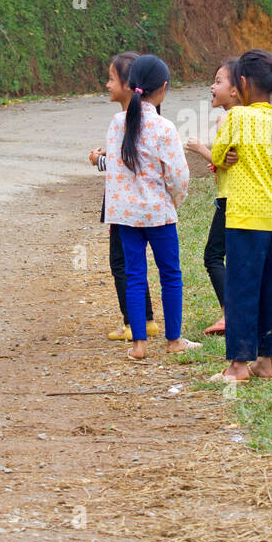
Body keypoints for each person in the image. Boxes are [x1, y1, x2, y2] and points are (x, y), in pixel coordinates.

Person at [103, 54, 197, 361]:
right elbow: (179, 176)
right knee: (170, 274)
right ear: (163, 88)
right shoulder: (164, 127)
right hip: (159, 214)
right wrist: (173, 202)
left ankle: (139, 346)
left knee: (134, 274)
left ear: (131, 85)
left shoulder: (117, 123)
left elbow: (115, 171)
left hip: (125, 216)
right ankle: (173, 340)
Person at [209, 49, 272, 383]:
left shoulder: (238, 118)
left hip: (245, 217)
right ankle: (265, 362)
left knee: (242, 290)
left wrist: (225, 153)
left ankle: (238, 366)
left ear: (242, 83)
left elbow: (217, 152)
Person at [89, 51, 158, 342]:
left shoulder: (121, 121)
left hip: (121, 204)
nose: (107, 84)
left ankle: (132, 323)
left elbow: (120, 165)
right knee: (136, 260)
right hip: (143, 202)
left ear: (129, 84)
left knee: (121, 263)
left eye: (111, 79)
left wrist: (97, 159)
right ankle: (148, 319)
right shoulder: (150, 118)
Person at [186, 58, 241, 334]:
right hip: (234, 197)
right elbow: (226, 161)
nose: (212, 86)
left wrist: (199, 149)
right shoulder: (244, 118)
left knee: (212, 255)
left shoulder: (227, 119)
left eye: (219, 81)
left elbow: (225, 161)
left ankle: (229, 313)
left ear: (235, 89)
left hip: (230, 199)